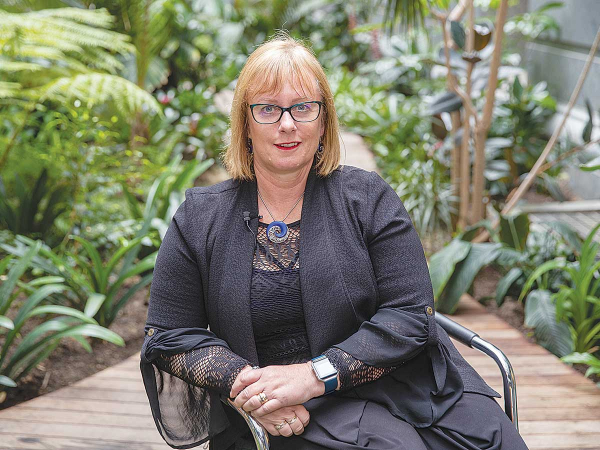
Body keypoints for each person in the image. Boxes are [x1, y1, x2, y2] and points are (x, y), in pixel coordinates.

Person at [140, 33, 529, 450]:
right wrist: (250, 388)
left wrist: (314, 375)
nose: (287, 124)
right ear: (245, 124)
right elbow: (168, 334)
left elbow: (411, 314)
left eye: (303, 107)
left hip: (404, 383)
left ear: (323, 120)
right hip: (285, 415)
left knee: (497, 442)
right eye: (268, 109)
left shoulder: (369, 198)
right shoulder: (201, 217)